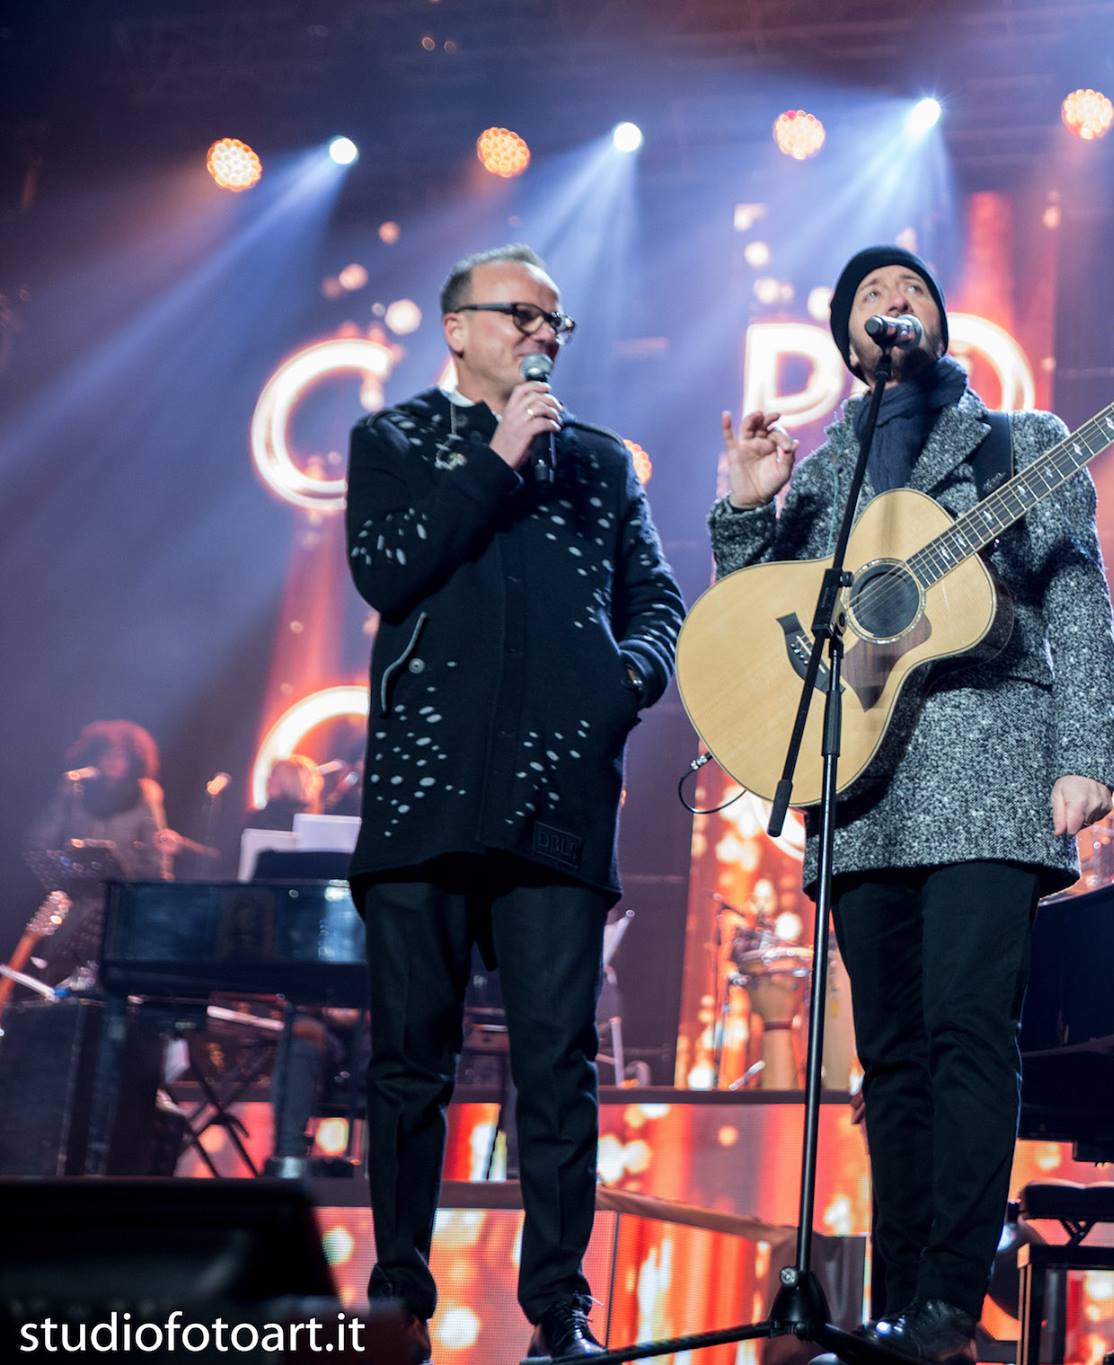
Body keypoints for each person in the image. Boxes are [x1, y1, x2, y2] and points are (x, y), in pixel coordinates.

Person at [708, 245, 1114, 1364]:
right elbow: (756, 628)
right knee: (886, 1053)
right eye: (871, 298)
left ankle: (947, 1298)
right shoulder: (826, 470)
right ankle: (894, 1307)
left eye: (915, 292)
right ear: (847, 342)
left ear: (942, 322)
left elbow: (1077, 593)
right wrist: (748, 511)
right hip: (858, 784)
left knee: (966, 1031)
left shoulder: (1016, 444)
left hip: (987, 765)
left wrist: (1085, 750)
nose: (896, 303)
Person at [345, 244, 683, 1362]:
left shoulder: (597, 462)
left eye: (557, 322)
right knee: (408, 1061)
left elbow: (657, 601)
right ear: (457, 328)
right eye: (522, 315)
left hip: (558, 800)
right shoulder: (391, 442)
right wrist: (491, 459)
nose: (544, 333)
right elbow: (389, 569)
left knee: (557, 1063)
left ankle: (559, 1312)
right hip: (423, 800)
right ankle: (397, 1297)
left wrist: (621, 684)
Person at [25, 720, 175, 881]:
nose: (112, 761)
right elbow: (40, 840)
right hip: (78, 892)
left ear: (134, 761)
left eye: (120, 756)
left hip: (123, 892)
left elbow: (157, 860)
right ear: (94, 757)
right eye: (105, 753)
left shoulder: (145, 800)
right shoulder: (76, 793)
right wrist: (63, 796)